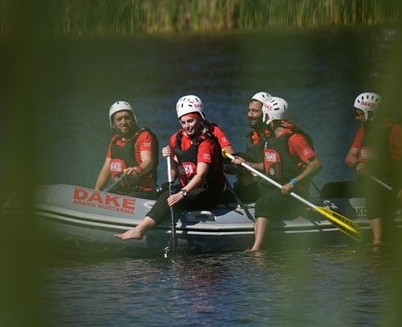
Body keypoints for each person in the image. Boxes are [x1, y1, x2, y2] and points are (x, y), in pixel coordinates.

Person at [116, 95, 228, 241]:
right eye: (183, 122)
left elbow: (200, 175)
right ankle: (149, 215)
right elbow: (173, 174)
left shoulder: (207, 142)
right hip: (189, 188)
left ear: (200, 119)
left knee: (168, 198)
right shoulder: (176, 138)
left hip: (208, 190)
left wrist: (181, 194)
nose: (187, 126)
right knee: (164, 190)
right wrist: (169, 158)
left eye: (191, 121)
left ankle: (139, 229)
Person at [231, 96, 322, 252]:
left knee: (262, 203)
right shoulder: (271, 138)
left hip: (293, 190)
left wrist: (293, 182)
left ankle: (257, 248)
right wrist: (247, 164)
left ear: (269, 117)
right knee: (242, 191)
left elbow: (316, 164)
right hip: (275, 185)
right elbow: (269, 165)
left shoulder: (295, 139)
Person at [343, 91, 402, 246]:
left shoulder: (395, 130)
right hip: (370, 181)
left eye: (359, 114)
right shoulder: (363, 131)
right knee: (333, 188)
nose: (356, 117)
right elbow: (349, 157)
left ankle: (377, 242)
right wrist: (358, 164)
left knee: (373, 192)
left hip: (391, 181)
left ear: (370, 113)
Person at [94, 101, 159, 198]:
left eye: (127, 118)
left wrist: (136, 170)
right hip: (119, 192)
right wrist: (96, 192)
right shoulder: (114, 141)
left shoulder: (144, 136)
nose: (123, 122)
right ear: (113, 123)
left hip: (140, 191)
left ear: (133, 119)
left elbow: (148, 162)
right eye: (119, 119)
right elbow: (106, 170)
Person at [229, 91, 274, 203]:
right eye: (249, 110)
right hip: (255, 183)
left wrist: (249, 165)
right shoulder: (252, 136)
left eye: (254, 111)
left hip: (271, 187)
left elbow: (276, 167)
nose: (249, 114)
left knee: (228, 197)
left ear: (266, 114)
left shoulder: (275, 138)